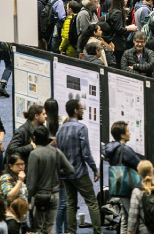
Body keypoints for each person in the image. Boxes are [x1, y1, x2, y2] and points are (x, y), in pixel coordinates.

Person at [56, 99, 101, 234]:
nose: (82, 111)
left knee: (71, 203)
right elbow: (86, 153)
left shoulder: (60, 130)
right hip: (80, 173)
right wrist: (95, 169)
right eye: (81, 108)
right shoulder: (81, 128)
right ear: (75, 111)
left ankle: (71, 231)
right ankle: (98, 232)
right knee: (92, 202)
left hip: (65, 173)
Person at [26, 126, 74, 234]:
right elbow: (70, 170)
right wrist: (58, 173)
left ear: (34, 138)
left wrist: (28, 199)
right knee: (49, 227)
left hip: (39, 196)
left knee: (37, 228)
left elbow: (31, 182)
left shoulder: (34, 154)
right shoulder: (57, 152)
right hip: (55, 195)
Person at [5, 103, 45, 168]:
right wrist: (30, 147)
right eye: (43, 114)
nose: (46, 116)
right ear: (36, 116)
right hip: (22, 167)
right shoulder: (22, 131)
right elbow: (12, 150)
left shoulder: (42, 129)